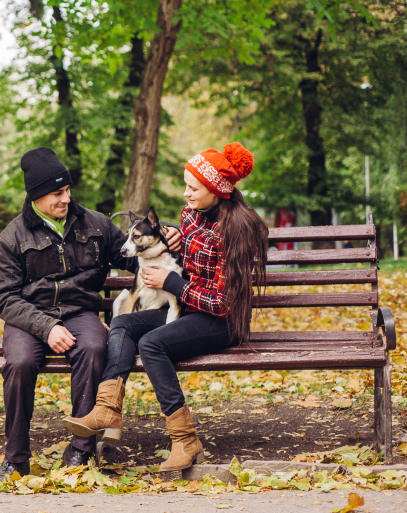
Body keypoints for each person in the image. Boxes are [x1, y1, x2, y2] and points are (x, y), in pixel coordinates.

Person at [64, 142, 269, 472]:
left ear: (216, 190)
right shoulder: (193, 214)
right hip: (187, 309)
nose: (185, 194)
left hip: (221, 322)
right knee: (123, 323)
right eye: (186, 186)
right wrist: (174, 235)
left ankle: (185, 440)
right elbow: (184, 252)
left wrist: (173, 284)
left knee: (151, 343)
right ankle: (107, 410)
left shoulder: (235, 231)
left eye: (192, 188)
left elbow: (222, 303)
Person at [0, 147, 181, 481]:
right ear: (36, 196)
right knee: (18, 363)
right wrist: (46, 327)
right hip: (29, 317)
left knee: (94, 348)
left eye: (67, 190)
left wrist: (165, 239)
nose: (66, 198)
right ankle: (16, 458)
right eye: (56, 193)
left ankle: (81, 449)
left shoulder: (95, 224)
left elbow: (132, 253)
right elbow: (4, 297)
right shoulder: (13, 236)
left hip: (80, 312)